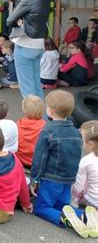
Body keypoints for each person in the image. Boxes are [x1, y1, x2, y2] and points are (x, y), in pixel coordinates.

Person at [30, 90, 86, 238]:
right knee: (61, 205)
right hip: (68, 178)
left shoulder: (48, 131)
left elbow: (39, 158)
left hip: (51, 178)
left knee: (41, 207)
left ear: (49, 110)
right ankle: (82, 215)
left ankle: (63, 219)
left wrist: (34, 179)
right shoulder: (76, 132)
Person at [6, 0, 50, 99]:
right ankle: (42, 118)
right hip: (38, 45)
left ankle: (33, 118)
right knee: (37, 86)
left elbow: (9, 20)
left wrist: (18, 20)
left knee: (27, 88)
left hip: (25, 45)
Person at [72, 120, 98, 210]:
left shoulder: (86, 160)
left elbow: (78, 188)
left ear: (90, 144)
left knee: (71, 190)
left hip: (93, 201)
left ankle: (73, 205)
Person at [16, 96, 46, 168]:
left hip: (21, 159)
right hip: (38, 161)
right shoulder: (44, 126)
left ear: (24, 110)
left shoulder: (18, 124)